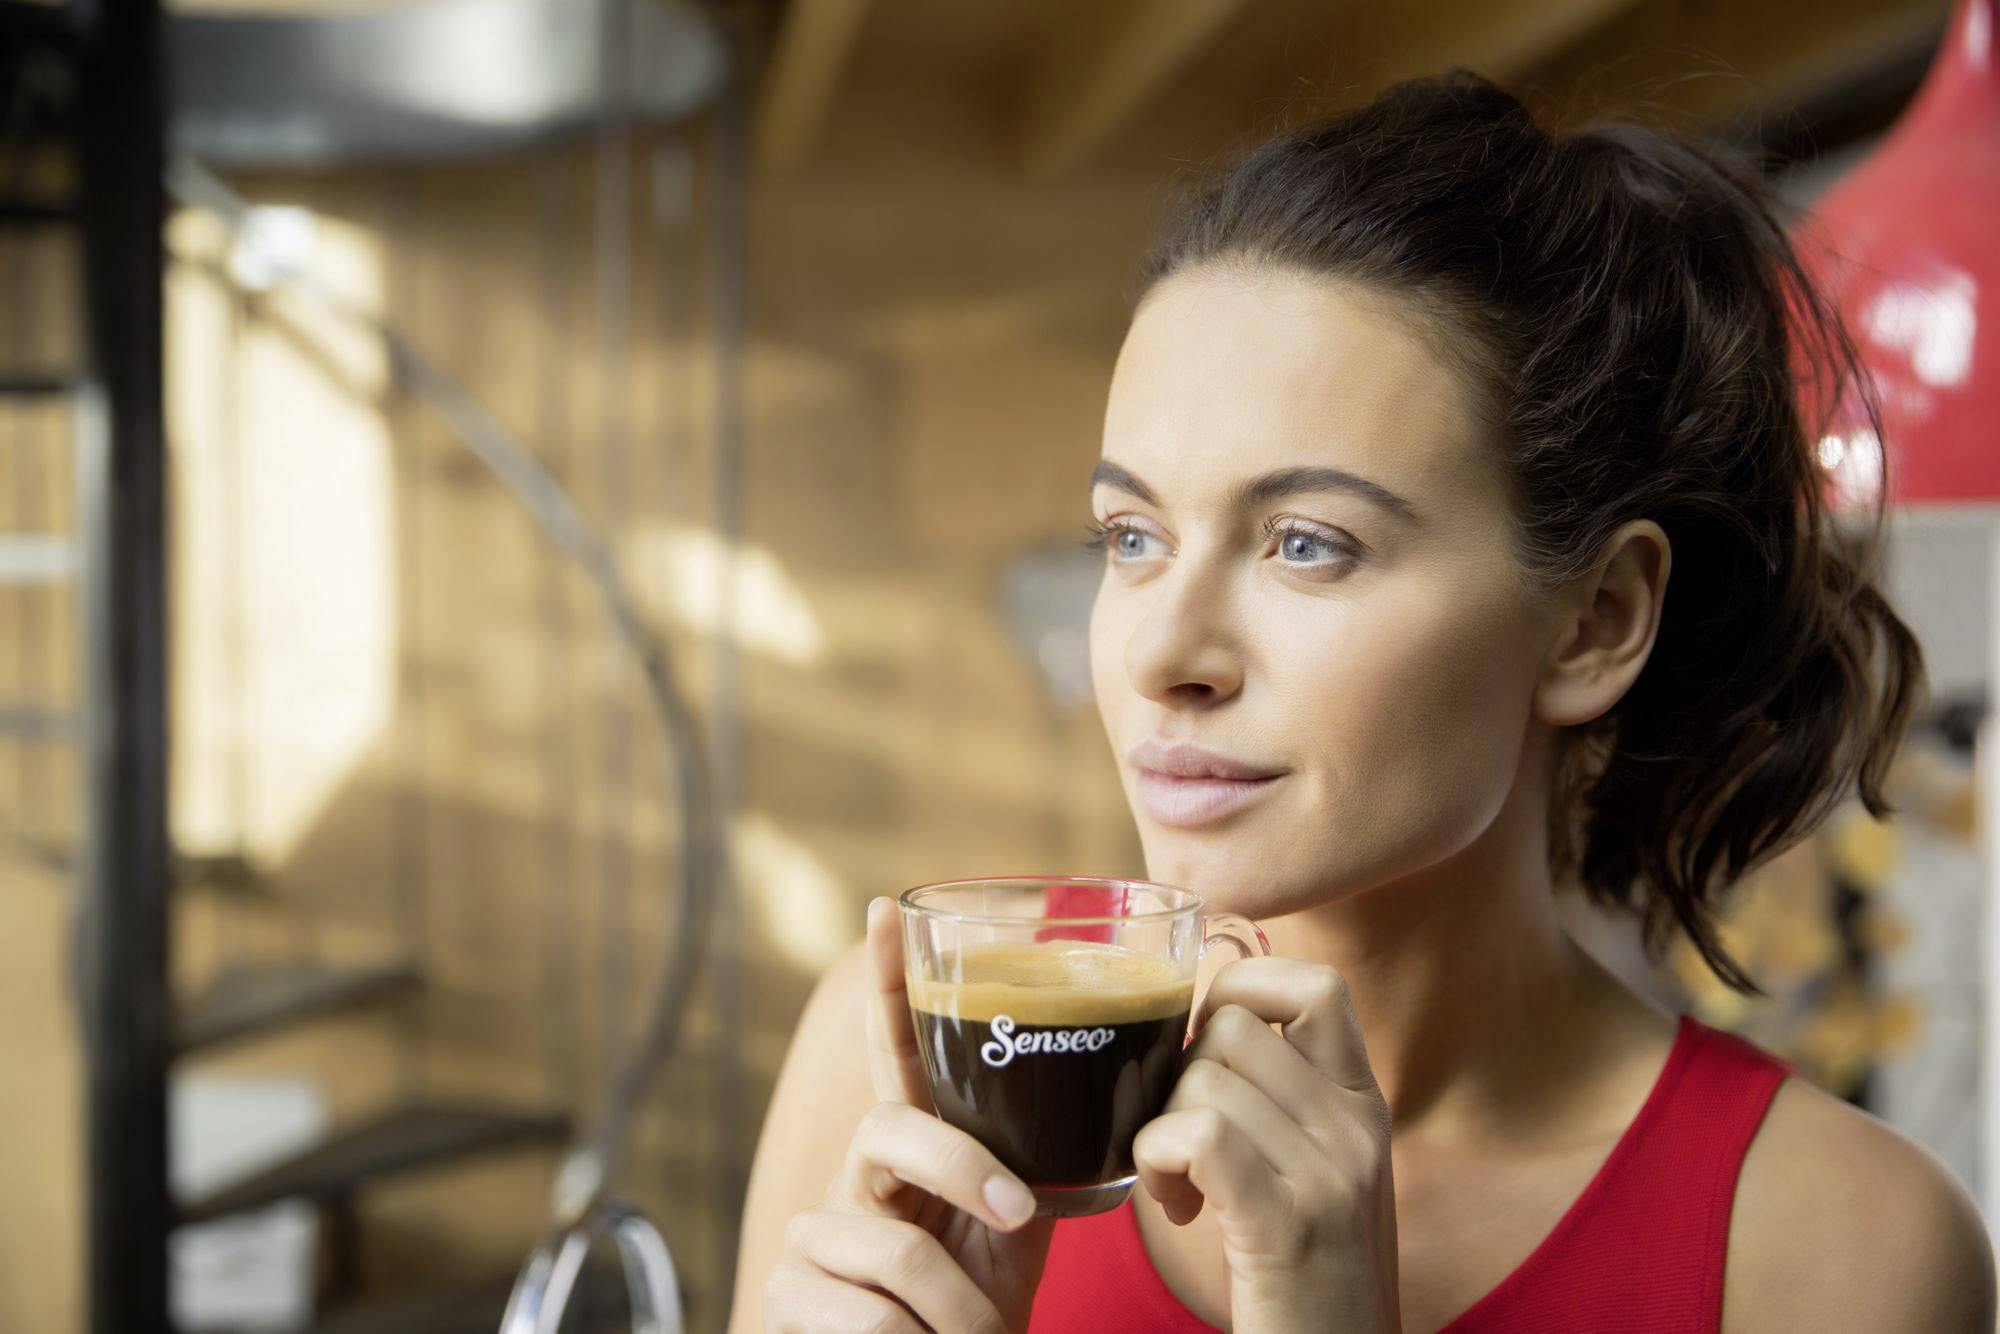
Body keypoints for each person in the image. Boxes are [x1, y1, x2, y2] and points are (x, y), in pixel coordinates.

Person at [730, 68, 1997, 1332]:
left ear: (1595, 620)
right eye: (1130, 536)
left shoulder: (1842, 1246)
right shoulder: (898, 1058)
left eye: (1306, 543)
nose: (1163, 652)